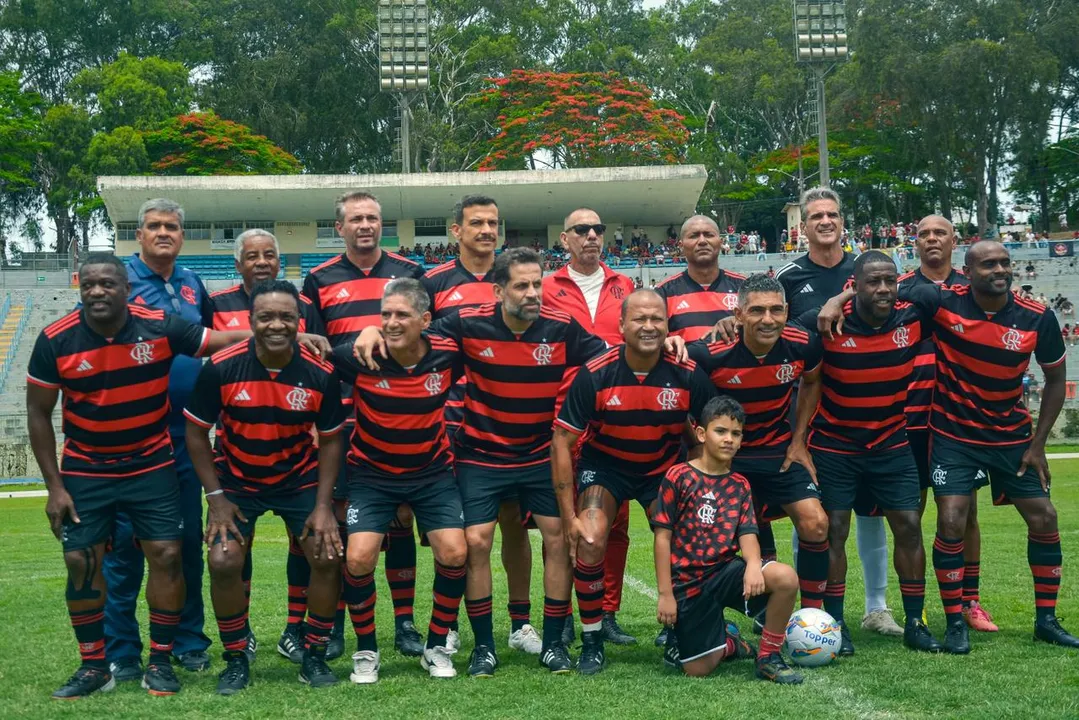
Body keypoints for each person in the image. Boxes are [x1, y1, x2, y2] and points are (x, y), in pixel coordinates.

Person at [355, 247, 611, 677]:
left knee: (557, 538)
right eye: (522, 285)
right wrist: (369, 328)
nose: (533, 293)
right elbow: (412, 329)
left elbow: (609, 357)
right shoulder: (466, 323)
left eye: (537, 284)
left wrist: (667, 343)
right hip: (480, 455)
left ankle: (552, 644)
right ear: (498, 291)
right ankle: (484, 647)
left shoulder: (562, 327)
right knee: (475, 542)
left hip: (538, 455)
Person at [28, 253, 248, 698]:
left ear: (127, 289)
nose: (97, 291)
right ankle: (94, 666)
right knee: (81, 561)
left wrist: (292, 335)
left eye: (107, 284)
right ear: (79, 288)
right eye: (89, 284)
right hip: (86, 468)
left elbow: (220, 340)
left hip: (151, 464)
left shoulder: (160, 326)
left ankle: (161, 662)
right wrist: (54, 487)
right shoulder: (56, 338)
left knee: (166, 555)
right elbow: (37, 412)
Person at [184, 280, 346, 692]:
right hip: (237, 481)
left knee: (327, 555)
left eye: (286, 317)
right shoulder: (221, 366)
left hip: (298, 479)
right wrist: (216, 500)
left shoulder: (321, 373)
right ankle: (236, 656)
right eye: (266, 317)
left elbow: (331, 440)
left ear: (300, 321)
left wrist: (323, 506)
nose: (277, 325)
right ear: (250, 320)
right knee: (223, 560)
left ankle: (313, 653)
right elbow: (195, 433)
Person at [922, 241, 1077, 651]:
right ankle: (955, 623)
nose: (1000, 270)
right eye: (989, 264)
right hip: (954, 435)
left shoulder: (1036, 316)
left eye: (1005, 263)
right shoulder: (943, 303)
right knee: (951, 521)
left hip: (1011, 438)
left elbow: (1056, 380)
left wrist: (1038, 445)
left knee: (1044, 517)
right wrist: (837, 300)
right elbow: (885, 293)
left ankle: (1046, 620)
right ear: (967, 271)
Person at [552, 289, 715, 675]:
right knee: (590, 539)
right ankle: (592, 640)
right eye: (640, 319)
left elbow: (711, 431)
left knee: (684, 540)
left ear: (668, 326)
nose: (649, 326)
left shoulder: (688, 373)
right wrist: (568, 517)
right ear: (622, 325)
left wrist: (700, 484)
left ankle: (677, 633)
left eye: (657, 319)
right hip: (605, 467)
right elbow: (561, 441)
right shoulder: (596, 372)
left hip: (662, 469)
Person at [302, 191, 426, 659]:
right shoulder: (319, 279)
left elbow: (425, 338)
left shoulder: (410, 273)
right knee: (340, 524)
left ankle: (405, 623)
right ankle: (335, 624)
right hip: (343, 419)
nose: (366, 225)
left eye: (373, 217)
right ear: (340, 227)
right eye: (356, 219)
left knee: (400, 517)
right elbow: (315, 352)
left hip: (399, 414)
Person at [802, 251, 944, 655]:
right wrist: (837, 301)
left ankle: (915, 622)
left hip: (890, 442)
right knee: (834, 531)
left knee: (909, 527)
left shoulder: (912, 317)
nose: (883, 289)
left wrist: (843, 295)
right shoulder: (826, 322)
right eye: (873, 282)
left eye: (889, 281)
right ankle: (835, 625)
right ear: (855, 285)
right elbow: (781, 331)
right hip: (834, 444)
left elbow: (935, 292)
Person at [774, 187, 900, 639]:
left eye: (832, 215)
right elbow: (779, 332)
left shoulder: (867, 269)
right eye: (816, 216)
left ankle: (877, 607)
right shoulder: (788, 277)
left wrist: (841, 298)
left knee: (872, 513)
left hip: (868, 410)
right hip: (812, 412)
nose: (825, 221)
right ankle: (811, 610)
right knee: (811, 510)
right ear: (802, 227)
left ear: (843, 223)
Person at [332, 279, 469, 681]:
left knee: (454, 553)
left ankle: (436, 646)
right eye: (385, 315)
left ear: (425, 320)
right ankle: (366, 649)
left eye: (401, 315)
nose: (391, 322)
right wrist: (364, 331)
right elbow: (311, 353)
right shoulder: (360, 356)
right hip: (371, 475)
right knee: (358, 558)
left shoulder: (448, 355)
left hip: (432, 473)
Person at [422, 196, 539, 656]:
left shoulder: (517, 279)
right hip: (453, 427)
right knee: (457, 531)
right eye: (477, 223)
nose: (487, 230)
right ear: (456, 231)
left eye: (493, 222)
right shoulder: (433, 282)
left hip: (511, 426)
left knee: (515, 525)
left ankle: (521, 623)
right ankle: (448, 623)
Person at [107, 199, 216, 680]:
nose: (164, 232)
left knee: (186, 541)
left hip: (185, 434)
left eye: (172, 225)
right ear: (139, 235)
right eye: (154, 226)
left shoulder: (192, 282)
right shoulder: (118, 281)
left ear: (182, 235)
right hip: (131, 434)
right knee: (124, 546)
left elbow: (208, 341)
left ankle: (188, 641)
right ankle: (122, 650)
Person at [209, 228, 326, 662]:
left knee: (306, 544)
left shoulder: (305, 305)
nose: (262, 262)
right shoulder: (216, 303)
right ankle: (241, 636)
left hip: (296, 446)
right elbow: (204, 352)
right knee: (235, 547)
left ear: (280, 260)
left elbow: (320, 357)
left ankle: (295, 629)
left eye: (269, 255)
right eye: (252, 256)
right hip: (239, 442)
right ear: (237, 264)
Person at [687, 274, 830, 617]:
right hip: (729, 456)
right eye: (757, 311)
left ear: (786, 312)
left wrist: (799, 440)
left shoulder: (803, 344)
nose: (768, 319)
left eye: (776, 310)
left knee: (816, 523)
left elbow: (812, 381)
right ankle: (725, 613)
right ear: (738, 315)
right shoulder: (709, 354)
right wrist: (703, 456)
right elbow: (688, 406)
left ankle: (811, 617)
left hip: (778, 450)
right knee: (723, 535)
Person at [654, 397, 803, 684]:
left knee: (785, 578)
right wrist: (665, 594)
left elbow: (747, 532)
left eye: (736, 434)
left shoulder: (740, 485)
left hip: (724, 572)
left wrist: (753, 565)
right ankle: (730, 642)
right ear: (701, 434)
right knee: (697, 670)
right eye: (720, 431)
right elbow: (662, 539)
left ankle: (768, 657)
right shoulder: (678, 476)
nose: (728, 439)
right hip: (687, 583)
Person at [543, 208, 638, 647]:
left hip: (616, 416)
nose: (592, 236)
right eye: (581, 230)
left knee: (614, 523)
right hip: (564, 418)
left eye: (598, 229)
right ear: (565, 239)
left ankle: (607, 612)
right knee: (563, 522)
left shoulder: (625, 285)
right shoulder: (547, 287)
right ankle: (561, 613)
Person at [900, 215, 996, 632]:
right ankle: (917, 606)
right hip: (911, 416)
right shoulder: (900, 289)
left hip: (960, 420)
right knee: (911, 515)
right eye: (924, 234)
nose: (932, 239)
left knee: (964, 514)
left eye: (940, 232)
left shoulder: (974, 287)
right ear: (915, 243)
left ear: (955, 240)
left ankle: (970, 602)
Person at [655, 215, 745, 342]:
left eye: (709, 235)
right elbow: (653, 341)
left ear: (720, 242)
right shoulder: (663, 293)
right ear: (681, 245)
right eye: (694, 236)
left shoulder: (744, 287)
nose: (702, 241)